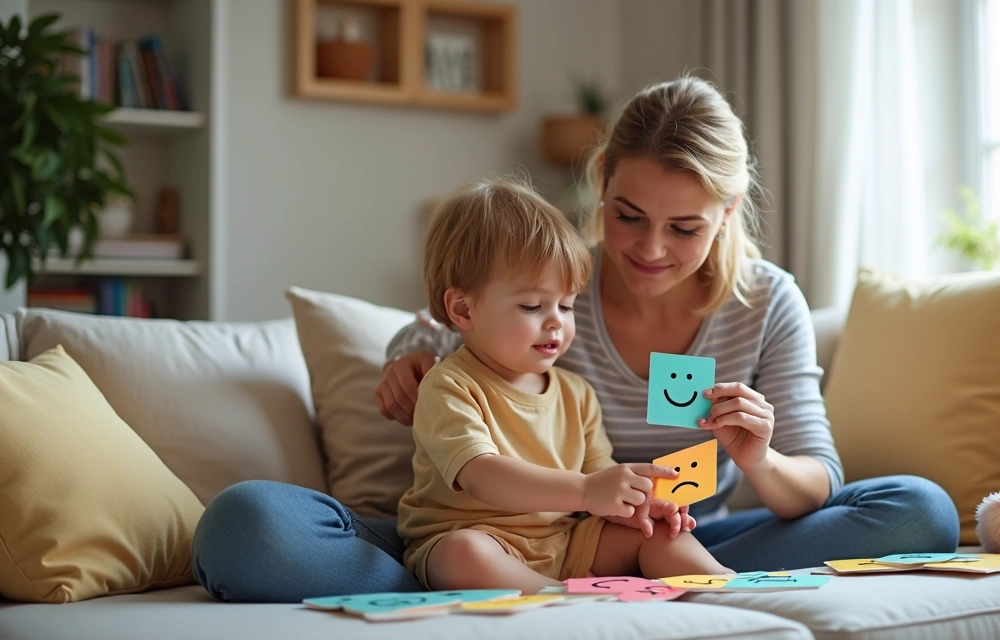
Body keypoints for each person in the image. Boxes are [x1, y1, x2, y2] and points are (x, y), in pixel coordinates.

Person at [191, 76, 958, 604]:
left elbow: (816, 481)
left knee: (919, 511)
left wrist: (760, 457)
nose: (650, 249)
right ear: (601, 179)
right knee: (249, 527)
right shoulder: (553, 283)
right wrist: (406, 362)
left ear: (728, 211)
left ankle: (635, 584)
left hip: (653, 531)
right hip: (481, 526)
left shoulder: (765, 302)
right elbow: (434, 324)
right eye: (628, 215)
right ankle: (476, 579)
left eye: (684, 227)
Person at [400, 177, 731, 593]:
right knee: (462, 553)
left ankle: (726, 589)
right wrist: (589, 490)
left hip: (568, 543)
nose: (557, 321)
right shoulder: (448, 386)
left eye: (567, 304)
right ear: (463, 309)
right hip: (479, 540)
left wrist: (639, 506)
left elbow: (601, 480)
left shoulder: (577, 393)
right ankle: (560, 600)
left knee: (657, 533)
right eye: (533, 306)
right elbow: (482, 476)